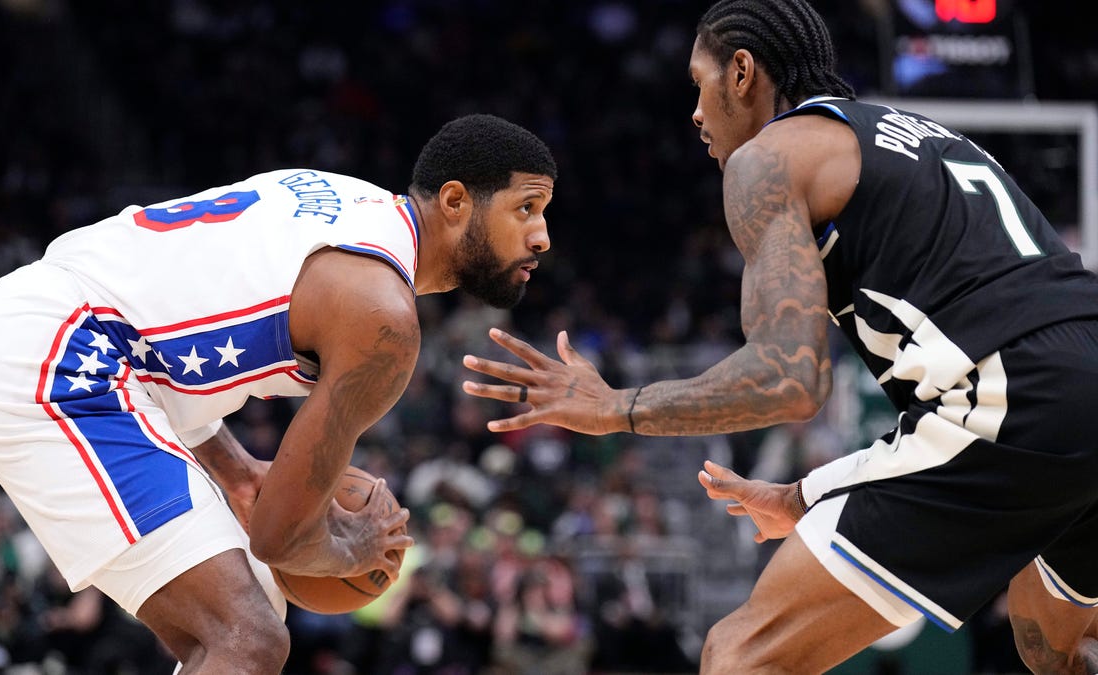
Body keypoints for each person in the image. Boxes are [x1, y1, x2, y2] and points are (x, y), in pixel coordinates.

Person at [459, 1, 1098, 672]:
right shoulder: (917, 134)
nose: (696, 114)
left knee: (739, 655)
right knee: (1054, 643)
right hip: (1066, 370)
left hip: (1014, 393)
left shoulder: (767, 158)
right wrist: (801, 497)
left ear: (741, 73)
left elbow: (788, 380)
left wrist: (616, 406)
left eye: (699, 83)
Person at [0, 113, 557, 673]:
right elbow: (279, 540)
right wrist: (354, 551)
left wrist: (234, 470)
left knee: (249, 610)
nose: (542, 237)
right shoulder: (382, 318)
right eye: (525, 208)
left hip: (51, 328)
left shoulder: (343, 198)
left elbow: (155, 325)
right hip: (58, 358)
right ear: (455, 201)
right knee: (246, 637)